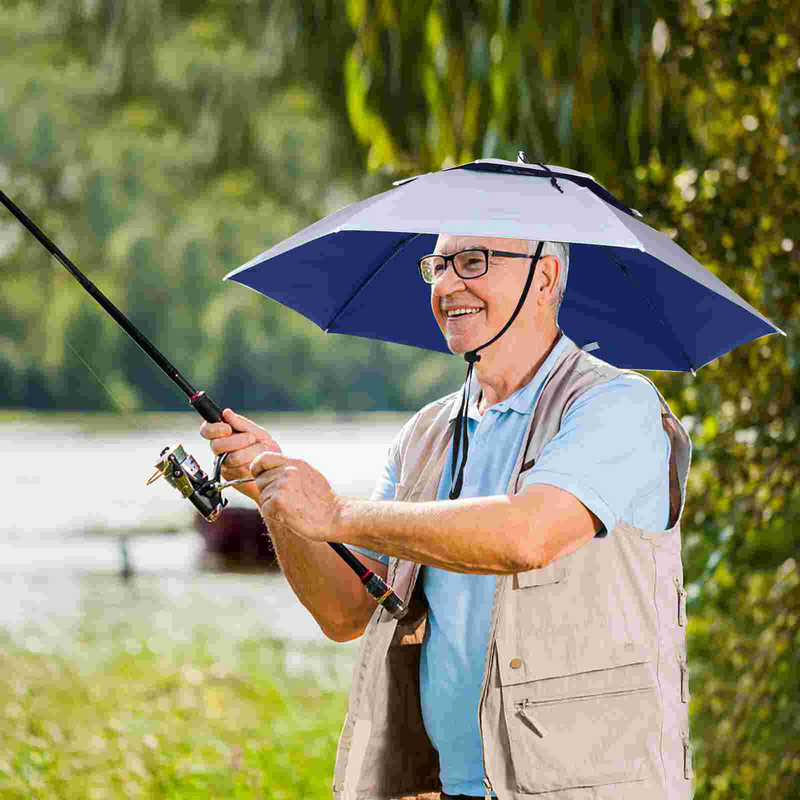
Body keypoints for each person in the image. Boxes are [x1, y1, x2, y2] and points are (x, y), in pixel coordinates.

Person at [200, 235, 693, 800]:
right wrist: (277, 496)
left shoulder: (615, 406)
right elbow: (345, 613)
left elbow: (526, 537)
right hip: (448, 788)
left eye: (474, 261)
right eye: (438, 265)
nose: (448, 284)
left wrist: (335, 512)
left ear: (546, 277)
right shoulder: (425, 434)